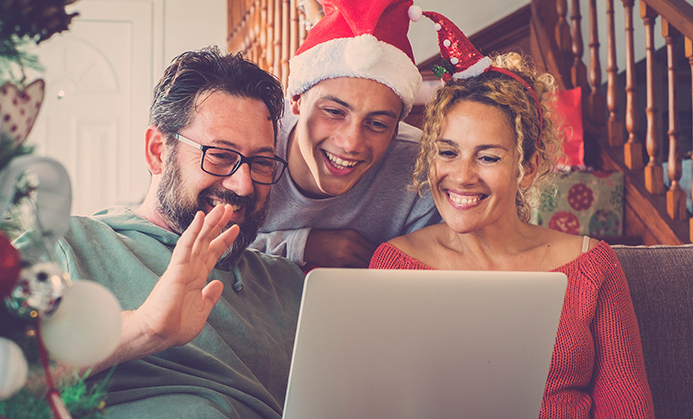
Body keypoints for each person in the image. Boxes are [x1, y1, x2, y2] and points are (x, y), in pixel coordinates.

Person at [370, 11, 654, 418]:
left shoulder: (592, 265)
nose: (462, 176)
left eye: (487, 157)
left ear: (530, 168)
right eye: (447, 152)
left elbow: (628, 408)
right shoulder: (394, 266)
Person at [39, 47, 305, 418]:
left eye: (260, 162)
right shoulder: (71, 246)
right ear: (157, 152)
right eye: (220, 155)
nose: (243, 185)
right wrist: (143, 330)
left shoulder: (291, 286)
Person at [250, 0, 441, 269]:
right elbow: (187, 239)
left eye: (377, 124)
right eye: (334, 112)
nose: (351, 143)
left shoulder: (422, 169)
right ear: (296, 101)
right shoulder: (250, 146)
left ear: (396, 127)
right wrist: (300, 245)